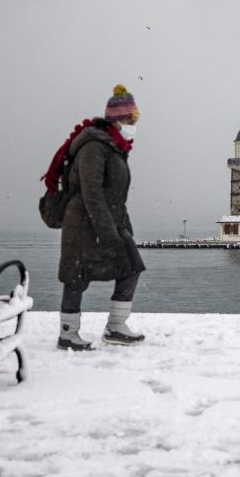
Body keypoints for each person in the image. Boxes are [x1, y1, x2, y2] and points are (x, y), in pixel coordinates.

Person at [56, 84, 146, 350]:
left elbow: (115, 194)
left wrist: (122, 226)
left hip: (108, 220)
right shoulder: (94, 146)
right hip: (84, 224)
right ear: (119, 120)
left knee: (130, 267)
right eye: (131, 119)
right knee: (76, 276)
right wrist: (106, 231)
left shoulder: (115, 147)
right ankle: (68, 334)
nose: (134, 125)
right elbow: (91, 192)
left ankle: (116, 327)